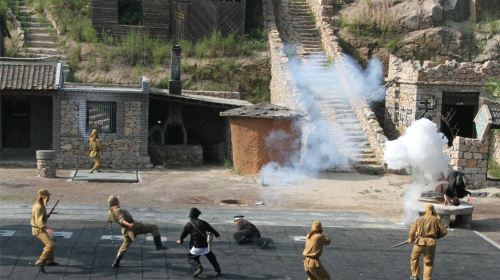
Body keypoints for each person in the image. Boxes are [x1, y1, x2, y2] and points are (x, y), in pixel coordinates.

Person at [107, 195, 167, 267]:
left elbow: (111, 219)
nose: (118, 200)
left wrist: (112, 222)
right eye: (117, 199)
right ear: (115, 201)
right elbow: (121, 220)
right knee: (153, 227)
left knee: (124, 246)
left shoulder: (110, 212)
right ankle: (159, 246)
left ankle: (116, 262)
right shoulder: (118, 210)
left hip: (125, 231)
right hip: (133, 227)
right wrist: (129, 225)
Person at [176, 208, 222, 278]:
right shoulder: (203, 223)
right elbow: (211, 229)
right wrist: (217, 235)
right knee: (212, 259)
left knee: (191, 258)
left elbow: (183, 234)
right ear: (198, 215)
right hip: (206, 246)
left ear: (190, 216)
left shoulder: (188, 225)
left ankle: (198, 267)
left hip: (196, 247)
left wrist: (181, 240)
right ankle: (218, 271)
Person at [408, 204, 448, 280]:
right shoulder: (436, 219)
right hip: (431, 244)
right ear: (433, 210)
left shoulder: (419, 219)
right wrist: (436, 236)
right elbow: (444, 231)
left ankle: (414, 275)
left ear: (425, 210)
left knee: (414, 258)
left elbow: (412, 231)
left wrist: (411, 238)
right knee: (428, 263)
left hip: (419, 242)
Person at [31, 189, 57, 273]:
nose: (48, 198)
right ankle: (40, 261)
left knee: (51, 244)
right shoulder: (38, 207)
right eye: (47, 196)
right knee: (50, 245)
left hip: (40, 228)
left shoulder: (39, 203)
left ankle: (50, 261)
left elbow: (40, 217)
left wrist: (46, 216)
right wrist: (47, 229)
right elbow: (39, 222)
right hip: (39, 230)